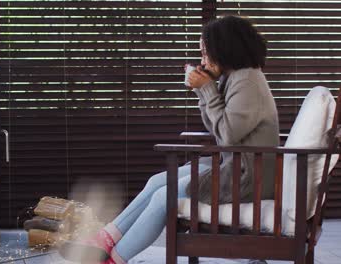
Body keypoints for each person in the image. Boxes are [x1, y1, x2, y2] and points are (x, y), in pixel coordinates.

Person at [59, 15, 279, 264]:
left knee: (164, 197)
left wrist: (206, 89)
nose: (203, 59)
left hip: (248, 177)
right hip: (238, 165)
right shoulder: (236, 77)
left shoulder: (247, 82)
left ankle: (113, 260)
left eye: (206, 52)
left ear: (224, 48)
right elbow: (218, 129)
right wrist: (204, 89)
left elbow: (226, 134)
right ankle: (102, 241)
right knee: (157, 182)